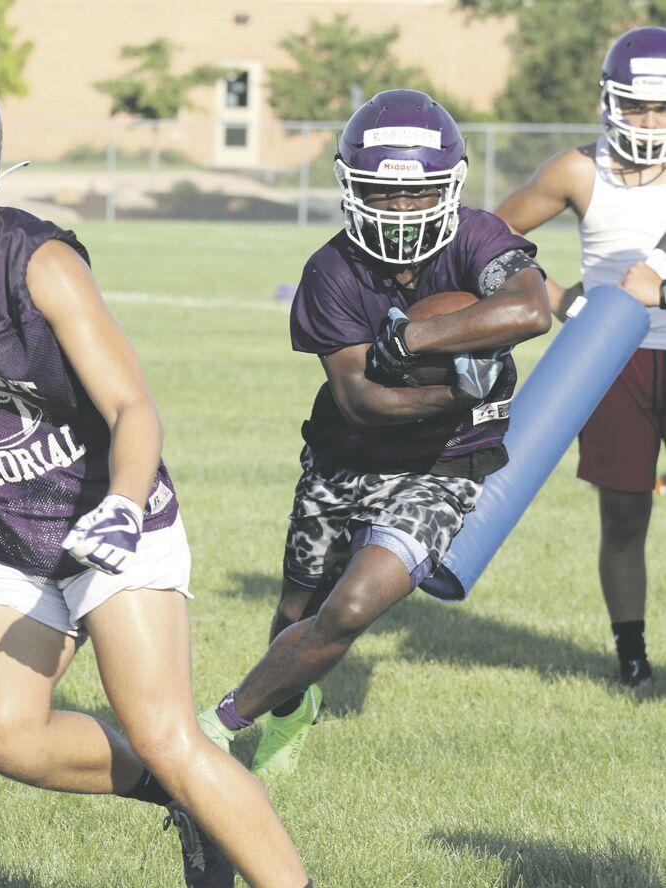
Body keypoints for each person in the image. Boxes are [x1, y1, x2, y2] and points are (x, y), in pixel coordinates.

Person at [0, 57, 310, 888]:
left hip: (107, 517)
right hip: (7, 534)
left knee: (163, 731)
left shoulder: (34, 263)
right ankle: (195, 797)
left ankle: (220, 800)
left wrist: (122, 505)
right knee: (5, 734)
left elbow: (132, 408)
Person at [197, 90, 550, 774]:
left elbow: (531, 309)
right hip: (344, 459)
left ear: (448, 188)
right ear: (350, 188)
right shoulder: (330, 271)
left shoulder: (478, 237)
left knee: (352, 605)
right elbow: (359, 399)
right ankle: (290, 710)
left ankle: (216, 726)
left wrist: (415, 335)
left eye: (417, 194)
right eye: (381, 194)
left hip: (444, 466)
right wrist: (456, 391)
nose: (399, 210)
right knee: (297, 611)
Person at [496, 26, 666, 688]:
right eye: (637, 104)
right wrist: (564, 299)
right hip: (612, 360)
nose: (649, 119)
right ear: (609, 102)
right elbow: (490, 239)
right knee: (623, 513)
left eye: (661, 106)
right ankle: (632, 656)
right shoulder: (578, 169)